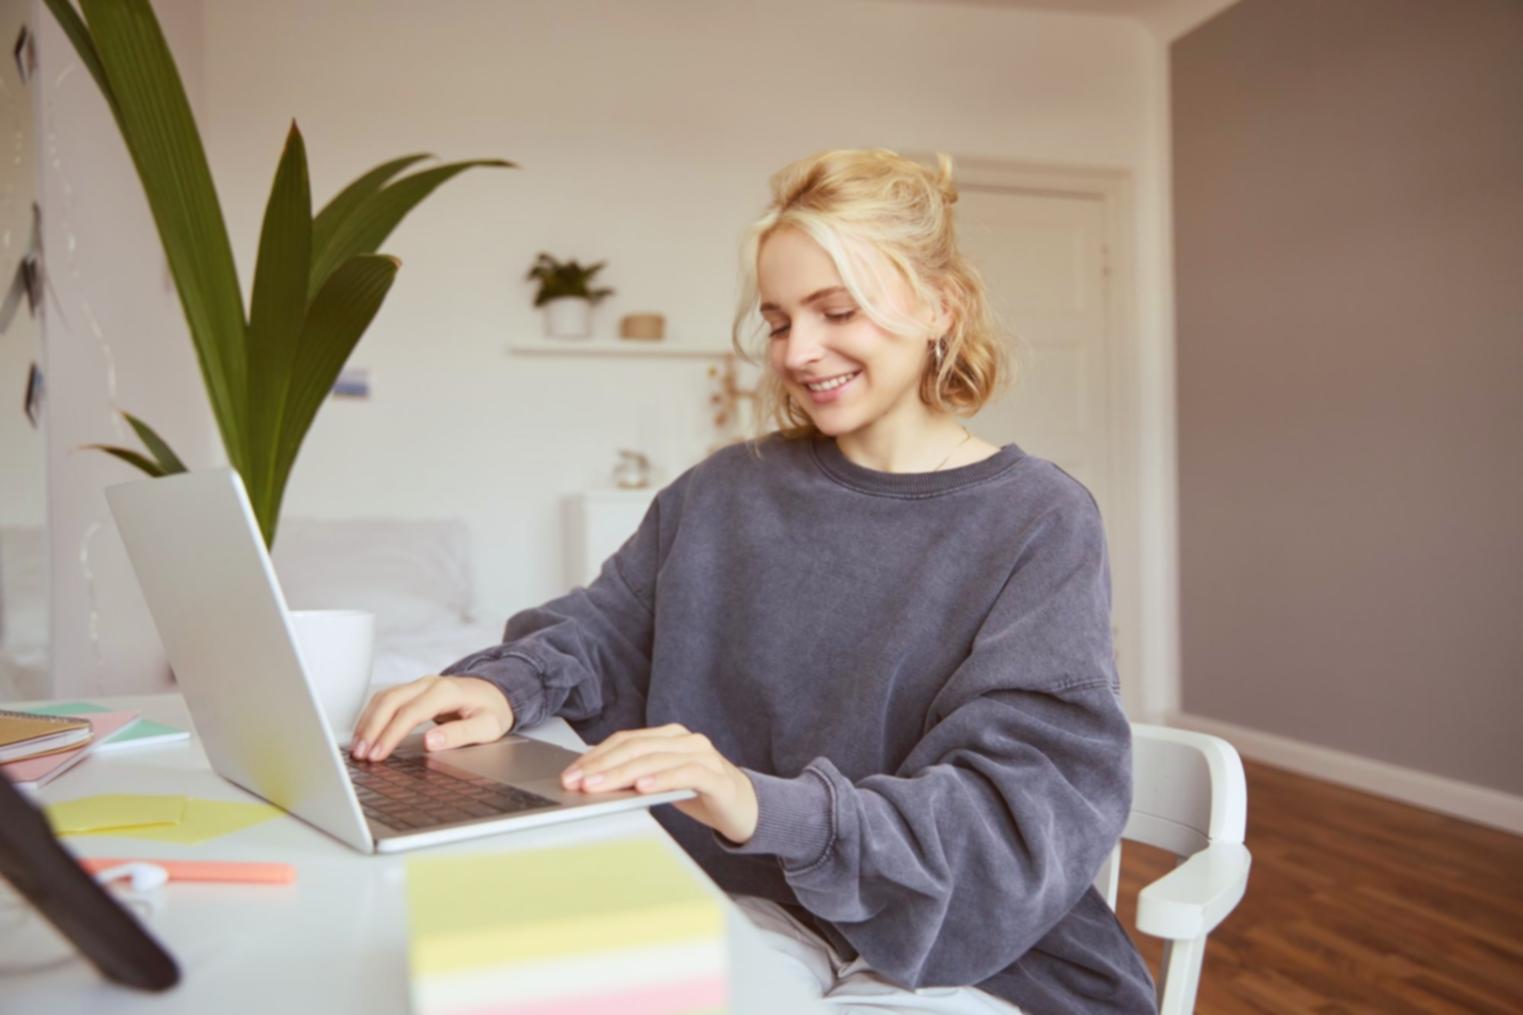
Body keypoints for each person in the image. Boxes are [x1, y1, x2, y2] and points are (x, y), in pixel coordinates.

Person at [351, 148, 1157, 1013]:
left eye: (835, 311)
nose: (798, 352)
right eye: (777, 322)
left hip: (970, 950)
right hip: (752, 906)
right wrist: (501, 685)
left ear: (939, 306)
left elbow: (1013, 815)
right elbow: (605, 629)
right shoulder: (725, 490)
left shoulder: (1038, 519)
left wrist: (757, 802)